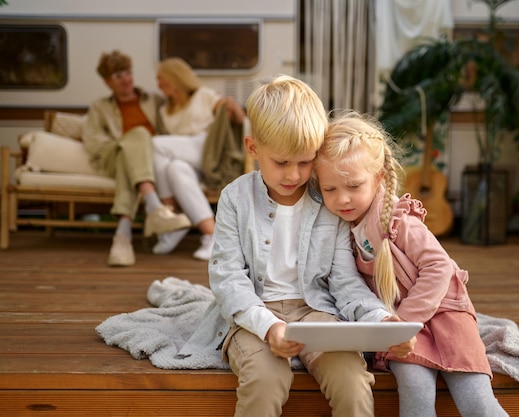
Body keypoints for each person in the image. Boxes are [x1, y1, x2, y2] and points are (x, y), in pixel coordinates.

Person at [208, 75, 412, 417]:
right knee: (264, 378)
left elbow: (344, 282)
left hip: (316, 311)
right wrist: (269, 327)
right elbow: (228, 278)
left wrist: (382, 320)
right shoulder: (235, 198)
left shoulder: (326, 200)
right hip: (254, 315)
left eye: (305, 162)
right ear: (253, 148)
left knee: (351, 379)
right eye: (281, 162)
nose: (294, 175)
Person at [314, 111, 510, 417]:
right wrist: (393, 331)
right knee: (415, 394)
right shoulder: (344, 229)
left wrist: (405, 322)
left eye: (353, 186)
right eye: (330, 190)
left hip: (445, 316)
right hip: (401, 332)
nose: (342, 199)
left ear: (378, 178)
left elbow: (439, 267)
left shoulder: (398, 221)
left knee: (476, 401)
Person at [82, 50, 191, 267]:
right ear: (107, 83)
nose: (125, 79)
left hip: (151, 157)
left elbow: (178, 117)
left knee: (136, 146)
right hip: (114, 155)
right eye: (117, 76)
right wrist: (124, 146)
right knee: (136, 138)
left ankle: (122, 237)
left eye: (127, 72)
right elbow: (93, 141)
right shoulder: (100, 107)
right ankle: (153, 207)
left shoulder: (154, 99)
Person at [150, 57, 246, 260]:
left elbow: (238, 121)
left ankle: (169, 215)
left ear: (175, 77)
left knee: (155, 144)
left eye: (162, 78)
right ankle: (212, 235)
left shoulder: (204, 95)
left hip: (208, 148)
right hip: (186, 157)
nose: (158, 84)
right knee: (175, 168)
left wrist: (233, 107)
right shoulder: (164, 111)